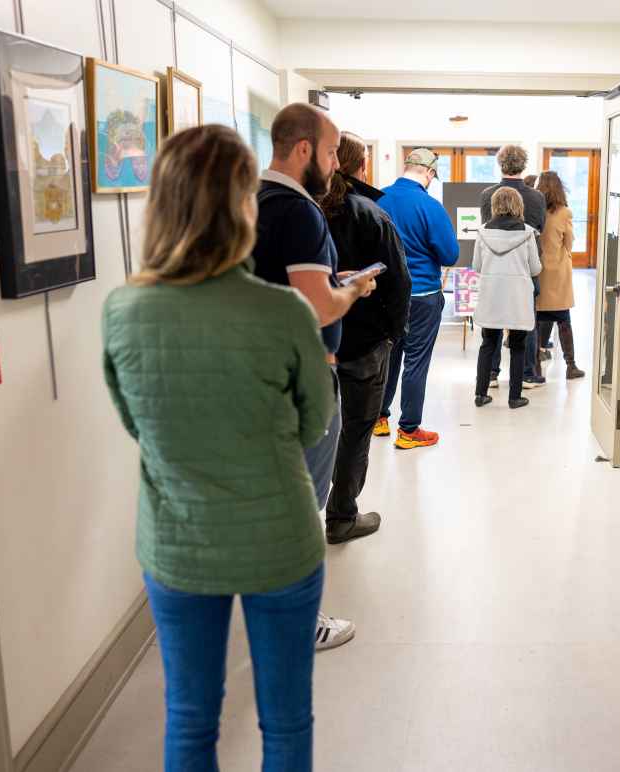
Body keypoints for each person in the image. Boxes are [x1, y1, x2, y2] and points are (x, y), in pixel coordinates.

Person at [102, 125, 334, 771]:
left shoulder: (123, 309)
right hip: (279, 542)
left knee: (190, 717)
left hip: (178, 545)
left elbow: (135, 422)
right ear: (241, 204)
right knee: (286, 722)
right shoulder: (284, 312)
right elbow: (317, 420)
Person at [251, 103, 377, 651]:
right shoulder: (300, 212)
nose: (333, 164)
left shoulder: (251, 201)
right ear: (304, 150)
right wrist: (353, 289)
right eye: (330, 153)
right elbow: (317, 309)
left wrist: (331, 279)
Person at [320, 132, 412, 543]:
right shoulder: (371, 213)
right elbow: (399, 282)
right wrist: (392, 335)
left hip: (315, 337)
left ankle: (302, 517)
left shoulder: (305, 210)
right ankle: (341, 516)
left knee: (310, 429)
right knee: (356, 428)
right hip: (364, 342)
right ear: (360, 167)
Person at [375, 148, 460, 449]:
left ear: (406, 166)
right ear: (430, 173)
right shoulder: (430, 206)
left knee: (389, 356)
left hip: (384, 295)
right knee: (415, 361)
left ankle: (379, 417)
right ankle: (409, 430)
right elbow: (450, 254)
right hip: (422, 295)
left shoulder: (378, 199)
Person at [479, 145, 548, 389]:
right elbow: (540, 229)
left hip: (495, 269)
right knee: (526, 320)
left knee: (492, 322)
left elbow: (486, 228)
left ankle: (491, 374)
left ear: (500, 164)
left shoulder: (488, 194)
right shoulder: (537, 197)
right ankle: (528, 373)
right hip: (525, 268)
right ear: (524, 164)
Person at [473, 187, 542, 410]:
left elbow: (477, 266)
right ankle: (514, 397)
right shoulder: (528, 233)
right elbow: (535, 268)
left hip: (491, 294)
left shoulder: (483, 232)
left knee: (488, 343)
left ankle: (480, 394)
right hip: (517, 296)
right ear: (518, 205)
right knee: (518, 346)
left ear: (494, 206)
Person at [535, 171, 586, 380]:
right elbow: (569, 242)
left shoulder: (535, 211)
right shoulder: (565, 212)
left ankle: (536, 367)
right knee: (564, 319)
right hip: (559, 272)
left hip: (538, 270)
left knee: (539, 319)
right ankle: (570, 365)